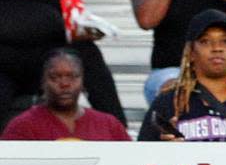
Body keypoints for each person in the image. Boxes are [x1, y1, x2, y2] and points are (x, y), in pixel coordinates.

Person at [0, 0, 126, 130]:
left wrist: (84, 29)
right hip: (3, 61)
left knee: (86, 52)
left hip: (46, 59)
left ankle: (119, 133)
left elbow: (72, 13)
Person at [138, 8, 226, 141]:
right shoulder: (167, 104)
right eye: (205, 41)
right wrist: (164, 150)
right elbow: (140, 157)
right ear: (191, 53)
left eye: (225, 41)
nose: (217, 48)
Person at [2, 48, 130, 140]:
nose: (64, 84)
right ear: (42, 82)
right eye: (55, 77)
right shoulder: (22, 126)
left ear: (83, 81)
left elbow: (129, 164)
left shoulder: (109, 125)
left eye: (72, 76)